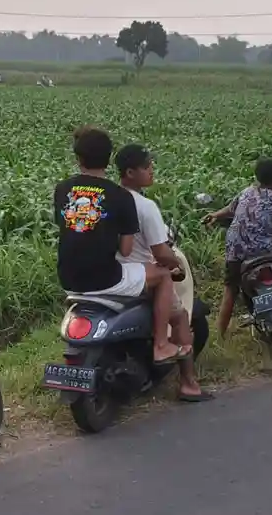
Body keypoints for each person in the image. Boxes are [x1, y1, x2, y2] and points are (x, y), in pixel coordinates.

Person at [54, 127, 188, 364]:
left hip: (68, 278)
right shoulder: (121, 196)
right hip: (105, 278)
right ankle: (161, 345)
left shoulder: (63, 189)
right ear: (109, 158)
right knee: (163, 276)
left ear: (78, 158)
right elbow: (125, 251)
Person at [114, 143, 214, 402]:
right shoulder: (145, 206)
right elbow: (161, 253)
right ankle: (189, 383)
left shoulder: (108, 198)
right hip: (141, 276)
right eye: (146, 166)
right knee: (180, 316)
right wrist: (175, 265)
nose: (152, 170)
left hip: (110, 273)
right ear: (129, 173)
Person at [203, 157, 272, 339]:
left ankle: (220, 335)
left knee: (230, 289)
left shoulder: (247, 192)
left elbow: (230, 209)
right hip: (263, 252)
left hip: (236, 253)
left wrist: (214, 214)